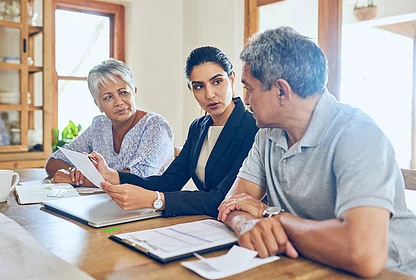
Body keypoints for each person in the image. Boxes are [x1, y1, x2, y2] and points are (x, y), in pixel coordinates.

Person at [217, 27, 416, 277]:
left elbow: (363, 253)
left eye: (250, 89)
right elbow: (232, 204)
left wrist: (271, 217)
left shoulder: (358, 134)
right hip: (310, 262)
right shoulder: (267, 133)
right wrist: (245, 223)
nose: (245, 100)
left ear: (281, 91)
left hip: (391, 272)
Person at [90, 46, 258, 217]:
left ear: (231, 79)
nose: (210, 94)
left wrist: (156, 199)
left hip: (242, 223)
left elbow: (223, 197)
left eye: (217, 81)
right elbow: (169, 182)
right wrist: (113, 176)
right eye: (199, 86)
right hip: (206, 221)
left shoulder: (253, 127)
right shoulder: (198, 127)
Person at [46, 59, 174, 186]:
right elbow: (54, 161)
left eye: (123, 93)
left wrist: (77, 180)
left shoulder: (156, 126)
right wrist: (72, 173)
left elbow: (140, 177)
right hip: (106, 201)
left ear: (134, 92)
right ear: (98, 104)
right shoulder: (100, 125)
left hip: (150, 204)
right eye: (108, 97)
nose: (119, 102)